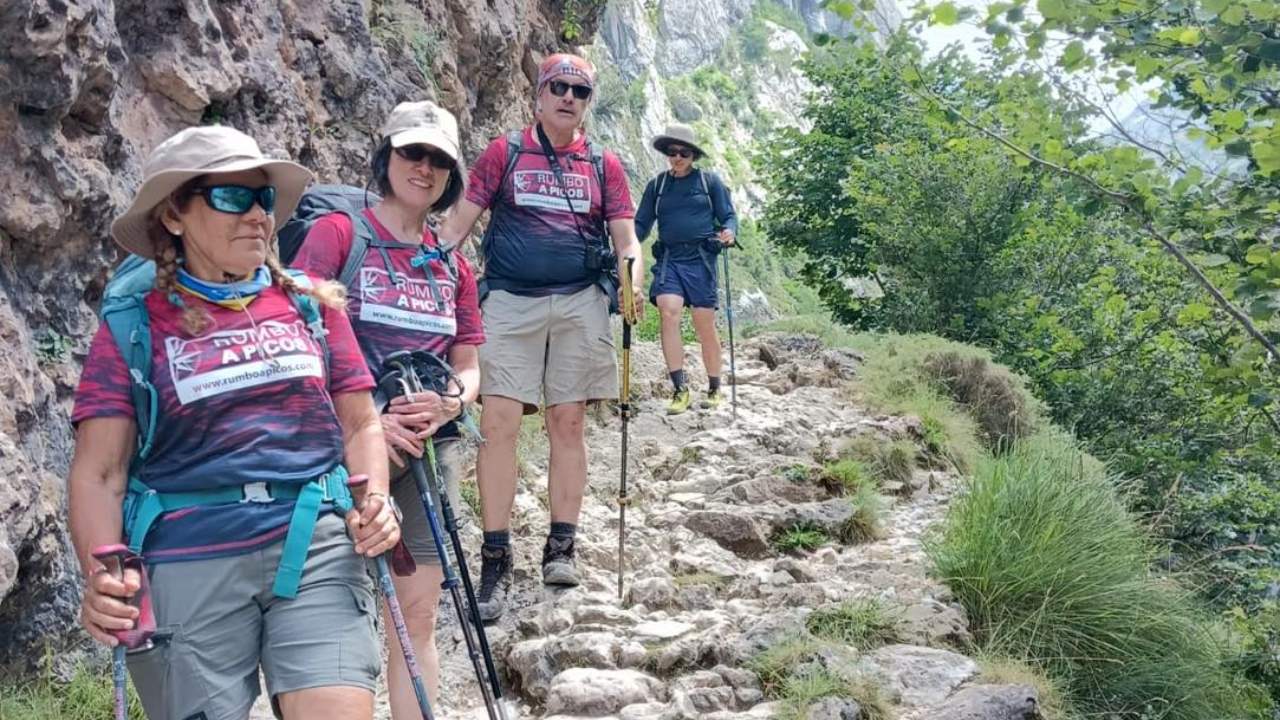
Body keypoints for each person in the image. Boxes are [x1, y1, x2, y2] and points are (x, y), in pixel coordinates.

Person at [68, 125, 400, 720]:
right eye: (231, 197)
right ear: (175, 214)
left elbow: (359, 424)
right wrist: (102, 572)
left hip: (314, 541)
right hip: (189, 554)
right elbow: (100, 471)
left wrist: (375, 499)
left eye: (263, 198)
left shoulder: (310, 304)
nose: (256, 215)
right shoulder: (133, 323)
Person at [291, 100, 483, 717]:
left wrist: (451, 402)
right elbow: (293, 331)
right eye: (411, 152)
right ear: (388, 156)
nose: (422, 168)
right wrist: (373, 416)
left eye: (437, 159)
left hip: (429, 453)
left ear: (451, 176)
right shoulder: (338, 236)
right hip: (340, 454)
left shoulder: (452, 266)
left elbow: (470, 364)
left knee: (419, 612)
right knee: (335, 619)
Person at [437, 53, 644, 622]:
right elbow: (457, 225)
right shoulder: (505, 153)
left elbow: (626, 241)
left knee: (568, 421)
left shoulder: (604, 165)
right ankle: (496, 555)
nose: (568, 97)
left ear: (587, 101)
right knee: (498, 424)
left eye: (579, 90)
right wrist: (425, 273)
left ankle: (562, 545)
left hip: (580, 301)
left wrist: (632, 281)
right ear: (539, 92)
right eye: (559, 86)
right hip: (508, 300)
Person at [634, 123, 737, 415]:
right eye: (672, 152)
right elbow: (641, 224)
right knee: (668, 312)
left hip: (702, 259)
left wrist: (729, 232)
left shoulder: (709, 183)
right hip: (670, 260)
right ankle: (680, 389)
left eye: (684, 153)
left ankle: (715, 387)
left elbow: (728, 215)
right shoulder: (658, 186)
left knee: (704, 324)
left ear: (693, 155)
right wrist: (625, 243)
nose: (677, 157)